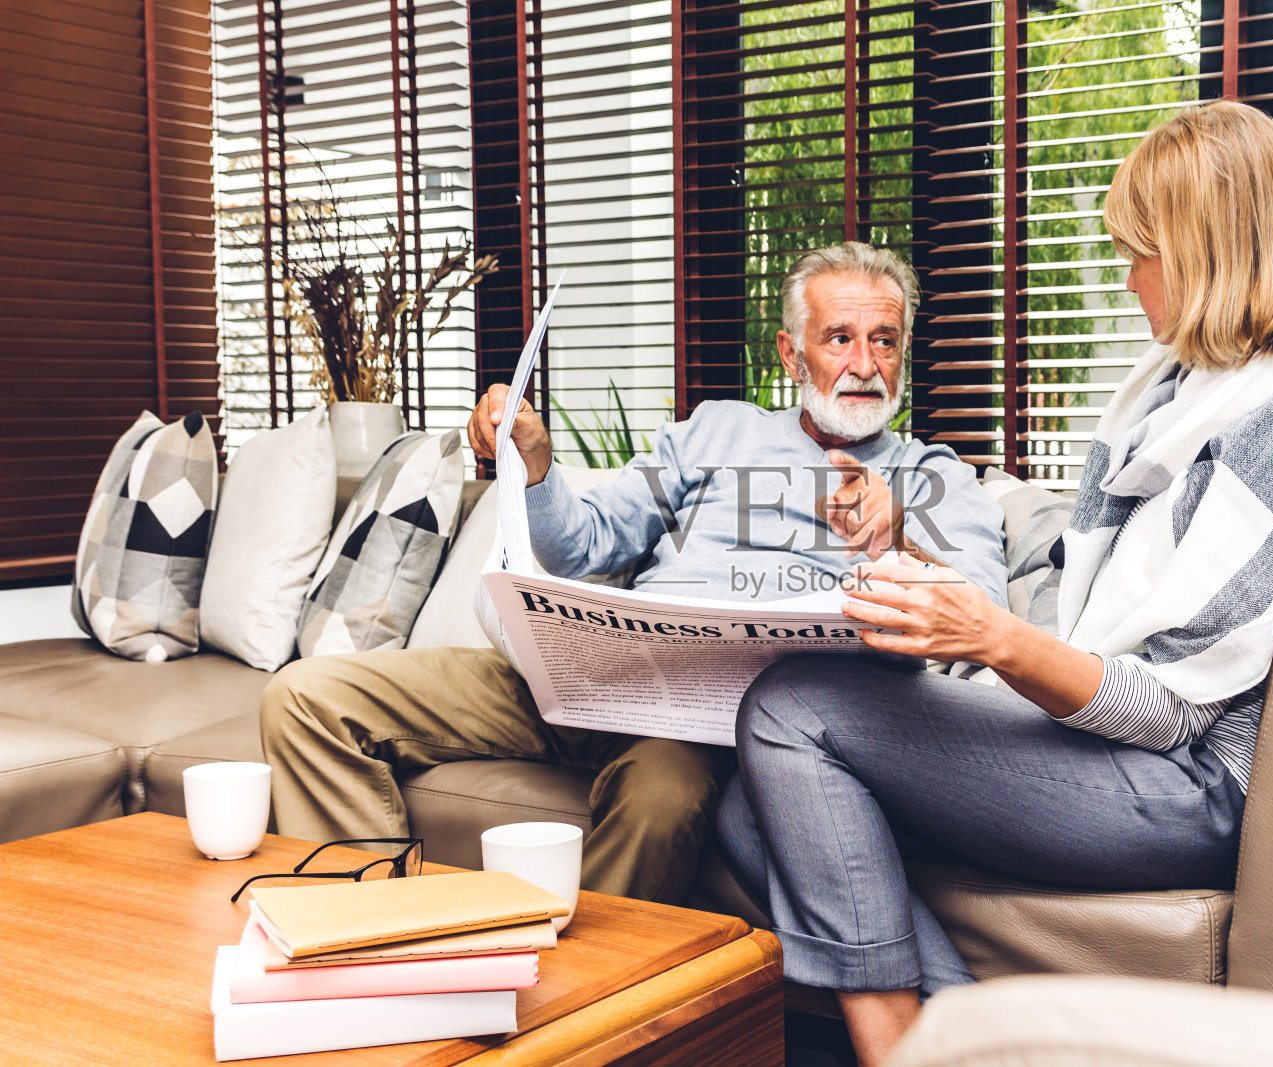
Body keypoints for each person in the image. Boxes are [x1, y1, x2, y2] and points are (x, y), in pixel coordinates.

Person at [715, 100, 1273, 1066]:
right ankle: (976, 1045)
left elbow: (1171, 711)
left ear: (1204, 252)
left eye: (1141, 252)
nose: (1128, 280)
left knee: (791, 710)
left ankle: (907, 1052)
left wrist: (990, 636)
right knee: (753, 803)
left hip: (1184, 785)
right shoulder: (1191, 385)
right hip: (1119, 750)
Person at [260, 242, 1007, 906]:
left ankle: (573, 1018)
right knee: (308, 698)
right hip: (587, 671)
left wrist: (903, 543)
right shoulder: (718, 429)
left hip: (697, 725)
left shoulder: (932, 477)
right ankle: (363, 937)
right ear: (790, 353)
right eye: (840, 338)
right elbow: (584, 544)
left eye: (885, 340)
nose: (866, 365)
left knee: (662, 802)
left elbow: (982, 622)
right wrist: (540, 463)